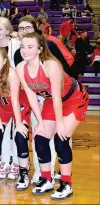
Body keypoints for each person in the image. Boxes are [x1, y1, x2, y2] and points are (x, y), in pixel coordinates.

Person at [16, 32, 89, 200]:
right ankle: (46, 179)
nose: (25, 50)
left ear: (40, 49)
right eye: (22, 47)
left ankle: (66, 184)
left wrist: (60, 124)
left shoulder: (51, 66)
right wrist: (40, 122)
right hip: (51, 101)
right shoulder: (21, 68)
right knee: (40, 137)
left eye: (30, 47)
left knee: (60, 138)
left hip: (73, 98)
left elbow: (57, 97)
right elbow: (31, 96)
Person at [0, 46, 31, 189]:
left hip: (19, 106)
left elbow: (15, 100)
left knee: (20, 136)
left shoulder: (11, 74)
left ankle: (23, 173)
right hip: (3, 106)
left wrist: (19, 123)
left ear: (4, 61)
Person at [0, 17, 21, 180]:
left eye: (0, 29)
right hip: (2, 97)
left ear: (8, 30)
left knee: (17, 132)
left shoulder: (18, 44)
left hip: (20, 93)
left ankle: (17, 163)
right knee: (1, 130)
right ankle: (4, 163)